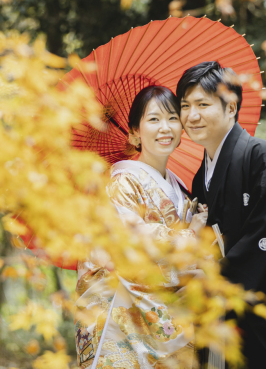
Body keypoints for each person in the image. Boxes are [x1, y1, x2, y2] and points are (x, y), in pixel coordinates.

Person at [176, 62, 266, 369]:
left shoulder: (263, 159)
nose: (192, 115)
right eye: (185, 106)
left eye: (203, 104)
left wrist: (214, 276)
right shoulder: (202, 178)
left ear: (231, 107)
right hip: (223, 320)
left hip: (263, 322)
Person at [75, 85, 209, 369]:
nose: (166, 128)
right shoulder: (122, 182)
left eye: (173, 118)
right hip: (125, 316)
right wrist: (190, 233)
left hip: (172, 314)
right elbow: (133, 244)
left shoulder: (181, 189)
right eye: (154, 119)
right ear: (134, 133)